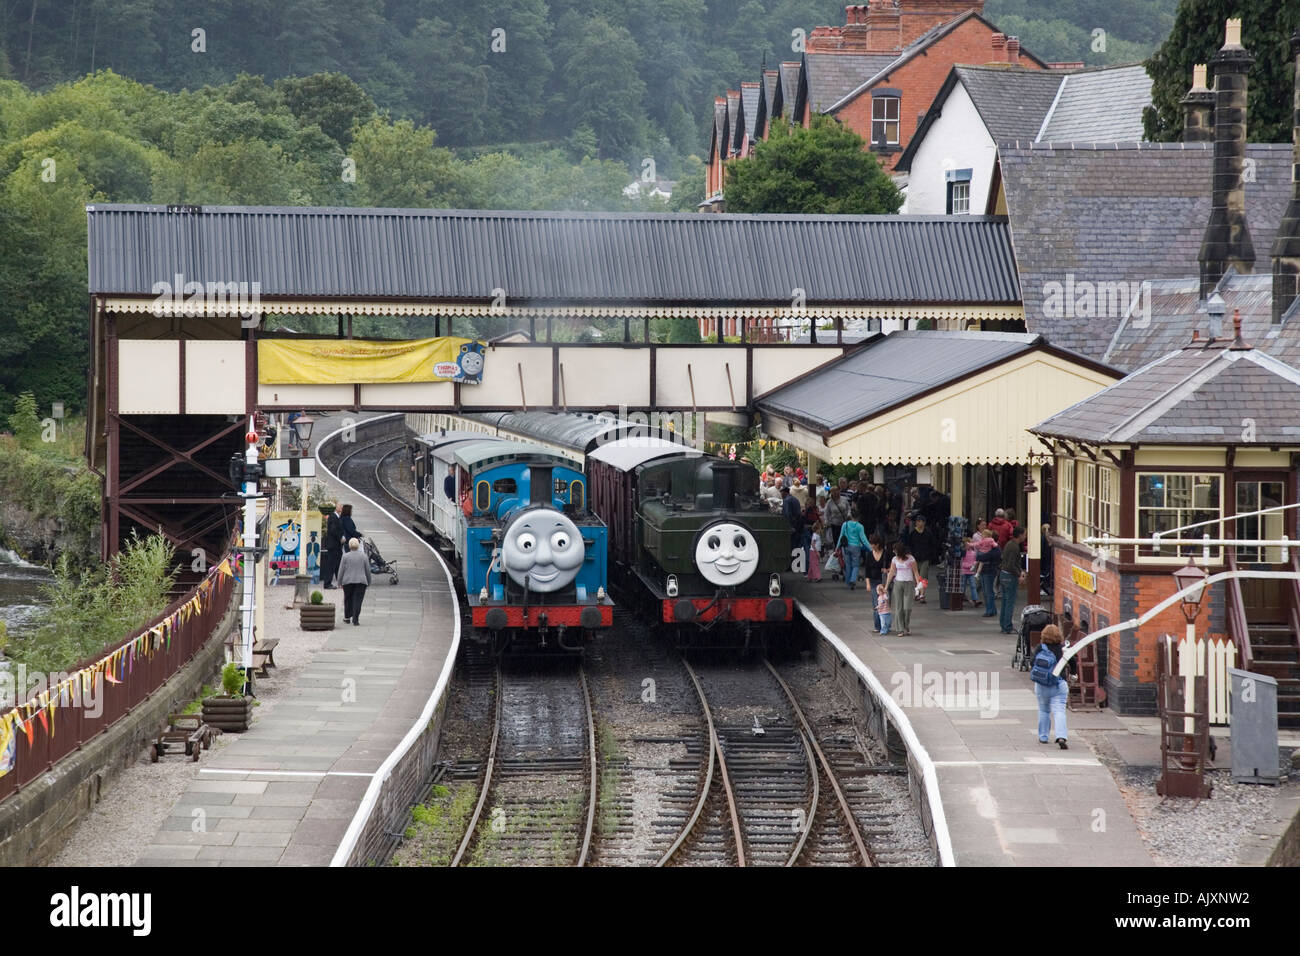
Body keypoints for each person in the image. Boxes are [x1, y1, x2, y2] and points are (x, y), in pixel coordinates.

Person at [1031, 624, 1076, 749]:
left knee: (1044, 710)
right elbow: (1073, 662)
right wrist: (1073, 674)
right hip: (1058, 684)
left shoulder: (1040, 647)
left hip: (1042, 685)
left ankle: (1043, 736)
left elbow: (1032, 662)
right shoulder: (1063, 648)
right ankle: (1061, 736)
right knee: (1059, 710)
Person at [885, 541, 919, 636]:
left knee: (907, 608)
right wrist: (886, 586)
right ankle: (900, 628)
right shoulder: (894, 559)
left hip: (909, 583)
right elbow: (891, 573)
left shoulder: (911, 559)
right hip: (898, 583)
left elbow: (916, 572)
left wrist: (918, 584)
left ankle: (906, 625)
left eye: (895, 550)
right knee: (898, 607)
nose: (894, 552)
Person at [903, 515, 938, 603]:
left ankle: (922, 594)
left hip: (925, 558)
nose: (919, 523)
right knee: (917, 577)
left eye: (921, 521)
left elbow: (933, 544)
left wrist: (931, 556)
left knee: (923, 577)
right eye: (918, 521)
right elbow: (909, 545)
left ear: (924, 523)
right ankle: (917, 593)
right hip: (915, 559)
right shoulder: (913, 534)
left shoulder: (928, 533)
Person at [998, 527, 1027, 634]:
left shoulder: (1009, 544)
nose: (1025, 536)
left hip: (1003, 574)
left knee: (1005, 601)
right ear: (1019, 535)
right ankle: (1007, 626)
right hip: (1010, 577)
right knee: (1010, 601)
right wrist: (1019, 574)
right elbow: (1011, 564)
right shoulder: (1014, 547)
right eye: (1024, 534)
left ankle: (1003, 624)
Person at [337, 537, 372, 625]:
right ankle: (355, 619)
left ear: (349, 546)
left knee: (348, 599)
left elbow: (341, 570)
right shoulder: (364, 556)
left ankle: (347, 617)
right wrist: (369, 581)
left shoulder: (345, 556)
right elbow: (368, 570)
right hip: (361, 581)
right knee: (358, 600)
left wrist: (339, 582)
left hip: (348, 581)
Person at [836, 513, 869, 590]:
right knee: (856, 565)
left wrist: (837, 547)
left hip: (846, 547)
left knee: (848, 565)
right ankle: (853, 579)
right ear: (859, 517)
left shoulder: (845, 524)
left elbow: (841, 536)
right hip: (856, 547)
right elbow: (863, 539)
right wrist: (870, 548)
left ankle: (848, 582)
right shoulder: (860, 526)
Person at [864, 536, 888, 631]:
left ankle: (885, 625)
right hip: (874, 581)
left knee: (885, 603)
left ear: (877, 544)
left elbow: (892, 566)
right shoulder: (869, 555)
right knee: (876, 603)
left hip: (884, 581)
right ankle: (877, 626)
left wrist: (887, 570)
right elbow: (867, 570)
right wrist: (868, 583)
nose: (871, 546)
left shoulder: (886, 554)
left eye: (872, 544)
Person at [975, 536, 1001, 617]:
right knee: (987, 591)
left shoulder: (994, 550)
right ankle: (992, 609)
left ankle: (990, 610)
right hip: (986, 571)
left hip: (989, 571)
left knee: (988, 592)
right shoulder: (993, 549)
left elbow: (981, 557)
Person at [322, 503, 343, 589]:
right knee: (331, 565)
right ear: (336, 508)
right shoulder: (333, 517)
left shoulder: (336, 517)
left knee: (338, 564)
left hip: (336, 545)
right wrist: (340, 538)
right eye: (340, 506)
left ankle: (340, 582)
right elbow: (333, 530)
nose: (342, 508)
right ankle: (327, 583)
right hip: (333, 545)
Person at [823, 487, 851, 554]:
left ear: (839, 491)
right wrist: (827, 522)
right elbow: (826, 513)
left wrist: (848, 515)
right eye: (833, 491)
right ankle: (838, 554)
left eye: (836, 491)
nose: (835, 493)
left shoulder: (844, 499)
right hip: (834, 524)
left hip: (844, 523)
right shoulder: (829, 502)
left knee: (845, 539)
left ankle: (845, 553)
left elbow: (848, 508)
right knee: (836, 540)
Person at [780, 487, 803, 551]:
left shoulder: (786, 500)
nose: (781, 495)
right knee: (796, 544)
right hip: (797, 524)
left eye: (781, 493)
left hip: (791, 525)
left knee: (790, 544)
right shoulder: (795, 499)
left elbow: (788, 514)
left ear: (784, 493)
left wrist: (789, 526)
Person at [960, 536, 978, 607]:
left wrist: (973, 566)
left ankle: (975, 600)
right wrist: (971, 566)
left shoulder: (974, 553)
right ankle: (960, 599)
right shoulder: (963, 552)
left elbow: (975, 561)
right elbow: (962, 562)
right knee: (963, 587)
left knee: (973, 586)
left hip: (971, 572)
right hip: (964, 571)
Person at [807, 518, 823, 582]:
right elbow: (812, 544)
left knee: (812, 564)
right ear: (817, 529)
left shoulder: (816, 535)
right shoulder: (815, 535)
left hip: (813, 551)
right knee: (815, 564)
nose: (820, 530)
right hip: (814, 551)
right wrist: (817, 552)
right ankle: (817, 576)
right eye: (820, 529)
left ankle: (810, 577)